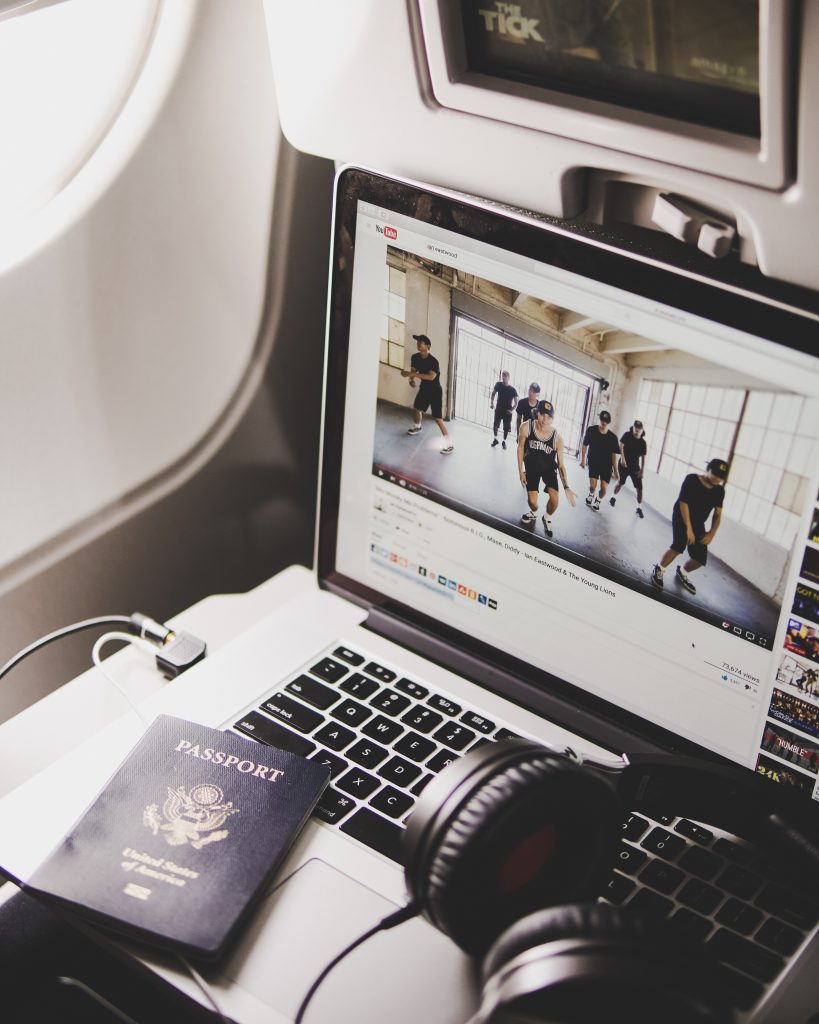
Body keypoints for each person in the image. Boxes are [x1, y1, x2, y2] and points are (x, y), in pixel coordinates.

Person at [650, 458, 729, 594]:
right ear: (707, 470)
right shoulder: (692, 479)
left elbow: (717, 514)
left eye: (721, 477)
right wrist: (688, 529)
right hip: (682, 516)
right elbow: (683, 503)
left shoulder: (719, 491)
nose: (717, 479)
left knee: (700, 559)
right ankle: (659, 569)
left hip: (698, 522)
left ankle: (682, 571)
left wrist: (711, 533)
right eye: (715, 474)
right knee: (678, 546)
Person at [517, 399, 576, 537]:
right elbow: (520, 448)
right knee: (532, 501)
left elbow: (561, 465)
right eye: (542, 414)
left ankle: (547, 517)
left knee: (555, 501)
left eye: (549, 416)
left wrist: (566, 486)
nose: (545, 419)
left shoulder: (557, 439)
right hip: (531, 467)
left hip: (549, 469)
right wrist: (521, 472)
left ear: (552, 419)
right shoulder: (526, 427)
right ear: (537, 413)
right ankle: (535, 513)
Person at [401, 334, 453, 454]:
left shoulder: (433, 361)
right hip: (424, 388)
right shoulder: (415, 357)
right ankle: (417, 426)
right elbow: (413, 371)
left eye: (421, 342)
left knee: (438, 419)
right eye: (418, 342)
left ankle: (449, 444)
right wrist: (411, 379)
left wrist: (411, 375)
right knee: (417, 408)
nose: (418, 344)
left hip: (435, 391)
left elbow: (431, 377)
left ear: (427, 346)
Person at [580, 410, 620, 510]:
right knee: (592, 487)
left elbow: (614, 454)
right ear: (600, 420)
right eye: (602, 420)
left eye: (606, 421)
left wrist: (615, 470)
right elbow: (585, 445)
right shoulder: (591, 430)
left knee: (603, 490)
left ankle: (598, 500)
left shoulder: (613, 438)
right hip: (593, 462)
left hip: (606, 466)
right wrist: (583, 460)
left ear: (608, 422)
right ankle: (591, 494)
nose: (604, 423)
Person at [610, 420, 647, 518]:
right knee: (620, 483)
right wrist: (622, 459)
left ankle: (639, 508)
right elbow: (621, 445)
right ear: (633, 428)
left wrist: (642, 470)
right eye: (635, 429)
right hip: (624, 465)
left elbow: (643, 457)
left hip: (635, 467)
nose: (637, 431)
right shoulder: (627, 435)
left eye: (639, 429)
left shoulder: (643, 443)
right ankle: (613, 497)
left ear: (642, 430)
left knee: (639, 489)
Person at [489, 371, 518, 449]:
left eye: (505, 376)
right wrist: (492, 403)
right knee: (495, 425)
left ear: (509, 378)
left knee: (506, 428)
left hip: (507, 412)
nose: (503, 377)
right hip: (499, 409)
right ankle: (495, 439)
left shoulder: (513, 390)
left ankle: (504, 441)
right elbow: (493, 394)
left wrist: (511, 410)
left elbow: (516, 402)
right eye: (503, 376)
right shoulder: (498, 384)